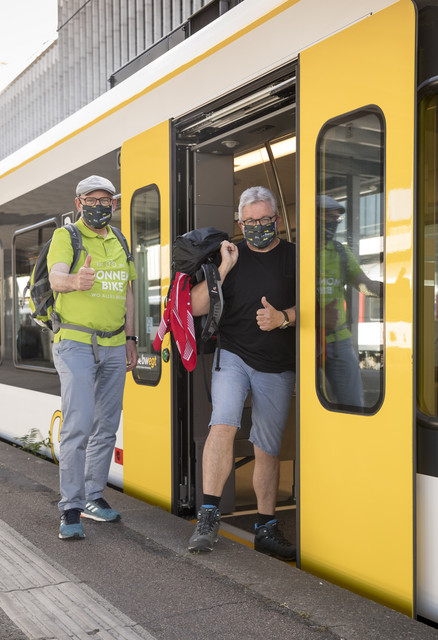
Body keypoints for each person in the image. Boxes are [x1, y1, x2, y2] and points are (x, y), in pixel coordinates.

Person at [188, 186, 296, 560]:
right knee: (223, 425)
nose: (259, 227)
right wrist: (224, 267)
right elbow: (196, 306)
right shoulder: (230, 256)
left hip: (277, 365)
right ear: (240, 223)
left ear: (277, 220)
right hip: (233, 356)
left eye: (265, 220)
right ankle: (208, 516)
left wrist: (284, 318)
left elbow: (322, 306)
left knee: (266, 448)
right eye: (250, 222)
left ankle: (265, 527)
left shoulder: (294, 258)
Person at [48, 175, 138, 540]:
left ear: (114, 205)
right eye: (92, 199)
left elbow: (128, 291)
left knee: (106, 424)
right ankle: (70, 507)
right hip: (75, 342)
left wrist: (132, 338)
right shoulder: (66, 237)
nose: (100, 206)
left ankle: (93, 497)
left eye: (106, 200)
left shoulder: (119, 239)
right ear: (78, 203)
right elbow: (56, 279)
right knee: (79, 423)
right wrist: (75, 282)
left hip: (116, 344)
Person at [317, 195, 382, 407]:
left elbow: (364, 284)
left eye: (336, 220)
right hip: (302, 339)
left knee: (353, 403)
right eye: (327, 217)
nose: (332, 223)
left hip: (338, 341)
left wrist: (389, 289)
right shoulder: (295, 253)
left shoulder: (340, 252)